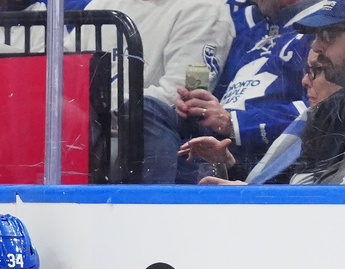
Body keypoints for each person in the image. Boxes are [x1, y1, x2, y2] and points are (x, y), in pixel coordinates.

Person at [191, 0, 345, 185]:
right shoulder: (328, 111)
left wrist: (256, 198)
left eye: (328, 36)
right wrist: (232, 170)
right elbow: (297, 187)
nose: (316, 47)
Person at [78, 0, 235, 184]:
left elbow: (176, 97)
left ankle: (146, 207)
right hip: (90, 125)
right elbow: (61, 69)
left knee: (146, 110)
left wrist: (100, 105)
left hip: (151, 134)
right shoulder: (100, 4)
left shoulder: (204, 9)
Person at [163, 0, 318, 184]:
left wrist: (233, 123)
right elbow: (217, 96)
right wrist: (193, 104)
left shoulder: (324, 28)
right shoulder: (246, 26)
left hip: (262, 162)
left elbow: (316, 112)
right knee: (151, 110)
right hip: (211, 149)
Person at [179, 48, 342, 184]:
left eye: (316, 70)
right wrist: (227, 163)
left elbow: (305, 206)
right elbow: (269, 188)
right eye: (307, 70)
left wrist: (233, 122)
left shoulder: (341, 132)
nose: (305, 81)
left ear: (344, 74)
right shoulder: (312, 124)